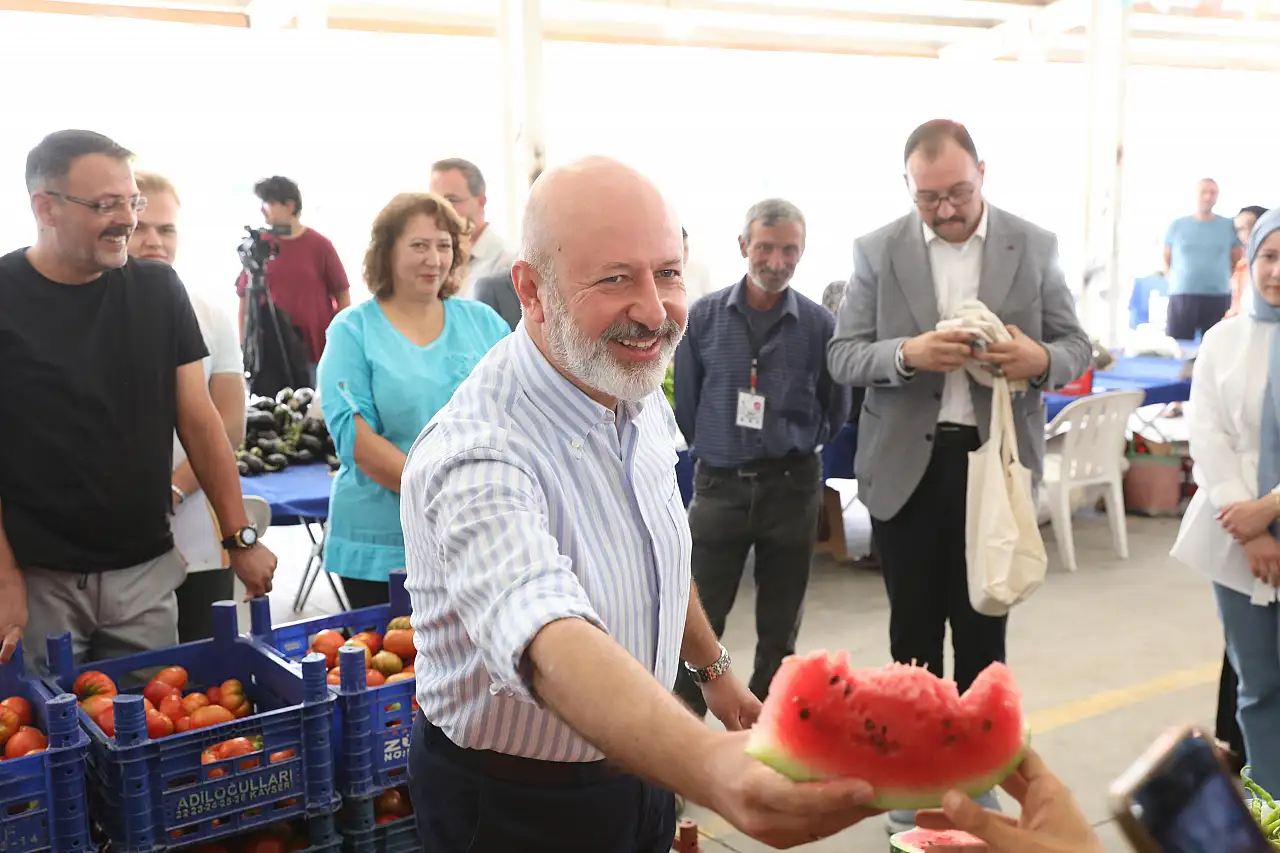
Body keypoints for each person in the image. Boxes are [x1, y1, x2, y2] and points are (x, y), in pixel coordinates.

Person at [400, 155, 878, 852]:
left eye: (668, 273)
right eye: (615, 279)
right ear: (531, 289)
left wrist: (712, 670)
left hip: (644, 767)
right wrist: (707, 762)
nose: (654, 311)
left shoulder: (629, 383)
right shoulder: (475, 451)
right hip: (513, 805)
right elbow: (543, 629)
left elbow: (653, 550)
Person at [827, 119, 1091, 833]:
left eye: (958, 193)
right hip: (906, 469)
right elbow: (844, 356)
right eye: (928, 198)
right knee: (911, 640)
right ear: (906, 187)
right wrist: (907, 354)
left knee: (983, 640)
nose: (945, 210)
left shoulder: (1033, 244)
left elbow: (1075, 344)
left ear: (983, 173)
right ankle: (915, 781)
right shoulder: (876, 249)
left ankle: (978, 786)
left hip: (992, 470)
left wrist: (1040, 360)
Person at [0, 130, 276, 670]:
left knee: (153, 716)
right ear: (45, 207)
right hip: (37, 583)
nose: (127, 220)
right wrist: (5, 577)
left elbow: (199, 422)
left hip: (145, 573)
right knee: (49, 720)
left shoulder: (158, 289)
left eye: (133, 202)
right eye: (105, 205)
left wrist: (239, 537)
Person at [672, 199, 849, 717]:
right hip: (719, 487)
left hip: (791, 487)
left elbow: (836, 408)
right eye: (766, 247)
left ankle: (767, 727)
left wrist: (795, 442)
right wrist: (719, 449)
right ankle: (683, 732)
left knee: (781, 622)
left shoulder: (819, 325)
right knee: (698, 620)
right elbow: (688, 403)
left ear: (802, 251)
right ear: (743, 245)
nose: (777, 261)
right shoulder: (703, 317)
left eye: (789, 249)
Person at [318, 193, 509, 609]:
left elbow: (516, 416)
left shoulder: (483, 323)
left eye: (444, 245)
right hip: (383, 545)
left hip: (477, 534)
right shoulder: (352, 330)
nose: (434, 259)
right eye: (419, 245)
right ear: (386, 251)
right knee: (393, 651)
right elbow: (359, 443)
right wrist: (443, 496)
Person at [1170, 206, 1280, 794]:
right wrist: (1251, 525)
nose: (1277, 272)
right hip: (1234, 533)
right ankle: (1271, 814)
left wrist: (1272, 507)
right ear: (1249, 261)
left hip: (1257, 516)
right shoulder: (1223, 339)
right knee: (1256, 687)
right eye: (1269, 256)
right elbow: (1206, 433)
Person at [128, 171, 247, 642]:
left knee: (207, 663)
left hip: (200, 520)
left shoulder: (210, 315)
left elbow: (229, 425)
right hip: (113, 538)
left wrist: (174, 491)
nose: (154, 241)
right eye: (140, 227)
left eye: (167, 229)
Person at [236, 175, 351, 388]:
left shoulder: (320, 245)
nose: (263, 210)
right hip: (272, 356)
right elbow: (245, 300)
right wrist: (245, 347)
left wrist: (340, 343)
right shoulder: (260, 248)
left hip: (316, 351)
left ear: (289, 205)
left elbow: (342, 295)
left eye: (269, 203)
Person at [1162, 179, 1243, 341]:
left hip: (1217, 295)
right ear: (1195, 194)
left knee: (1217, 346)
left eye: (1212, 193)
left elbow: (1236, 258)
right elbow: (1166, 258)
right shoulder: (1177, 225)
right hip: (1182, 295)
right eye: (1203, 192)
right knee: (1177, 345)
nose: (1208, 197)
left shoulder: (1228, 226)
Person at [430, 158, 516, 299]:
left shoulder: (507, 261)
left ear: (481, 202)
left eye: (451, 200)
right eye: (434, 202)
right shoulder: (433, 261)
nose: (441, 211)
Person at [1226, 206, 1268, 320]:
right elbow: (1236, 306)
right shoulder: (1242, 268)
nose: (1247, 233)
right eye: (1240, 229)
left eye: (1252, 225)